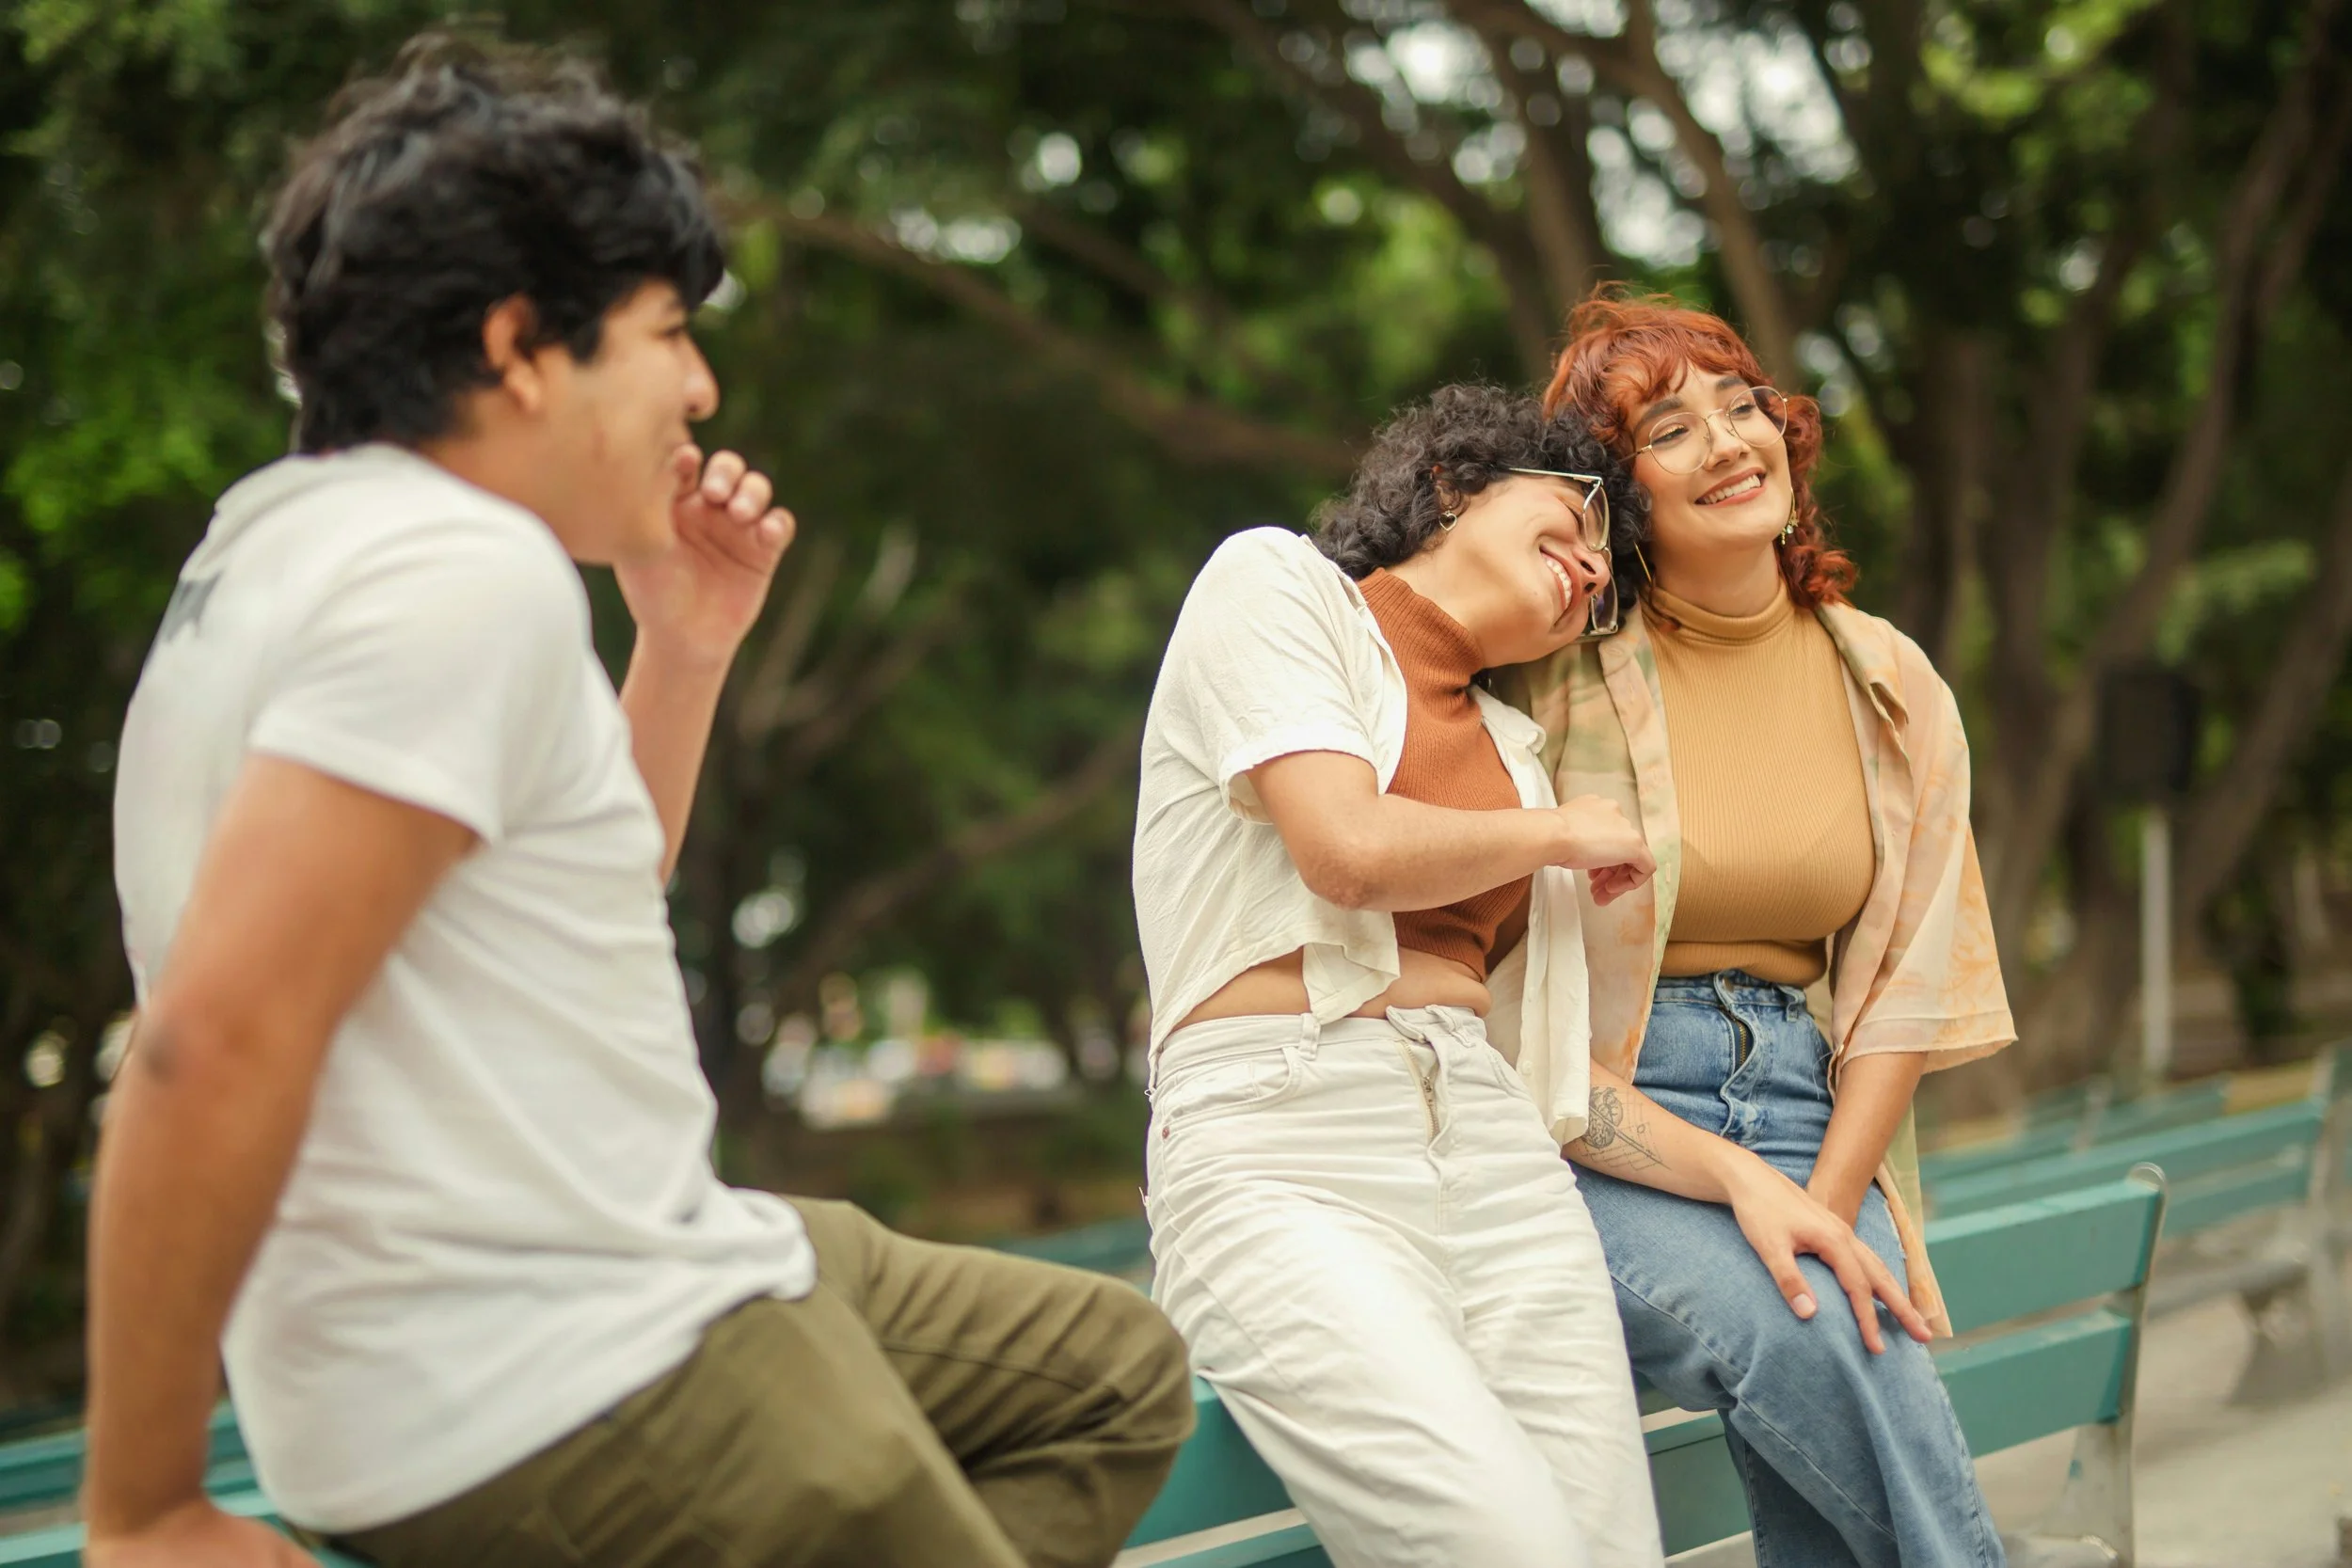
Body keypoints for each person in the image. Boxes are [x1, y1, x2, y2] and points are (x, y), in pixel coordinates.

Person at [89, 38, 1191, 1568]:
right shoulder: (451, 575)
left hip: (617, 1270)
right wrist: (142, 1507)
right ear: (523, 346)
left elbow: (553, 914)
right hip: (568, 1367)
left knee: (1114, 1372)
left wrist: (680, 647)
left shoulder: (263, 553)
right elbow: (208, 1041)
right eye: (668, 330)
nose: (701, 384)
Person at [1498, 288, 2015, 1568]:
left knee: (1838, 1368)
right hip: (1597, 1124)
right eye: (1671, 429)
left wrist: (1829, 1205)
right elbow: (1519, 1019)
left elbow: (1906, 982)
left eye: (1745, 406)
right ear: (1616, 493)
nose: (1732, 441)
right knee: (1815, 1333)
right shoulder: (1551, 675)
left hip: (1811, 1103)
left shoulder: (1887, 677)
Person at [1134, 384, 1673, 1568]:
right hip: (1286, 1146)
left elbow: (1552, 1070)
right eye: (1577, 518)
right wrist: (1561, 838)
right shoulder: (1273, 586)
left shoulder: (1520, 752)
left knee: (1611, 1547)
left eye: (1609, 573)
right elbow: (1348, 848)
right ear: (1449, 485)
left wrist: (1752, 1186)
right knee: (1502, 1543)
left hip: (1493, 1151)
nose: (1592, 566)